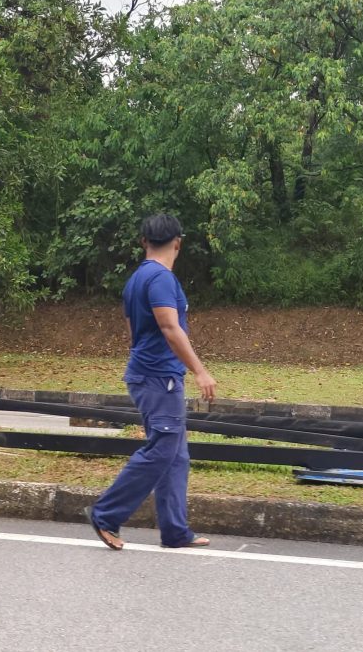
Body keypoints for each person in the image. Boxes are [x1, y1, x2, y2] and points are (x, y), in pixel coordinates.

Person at [86, 214, 217, 550]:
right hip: (159, 377)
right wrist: (200, 371)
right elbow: (170, 328)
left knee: (176, 454)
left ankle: (175, 531)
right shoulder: (160, 279)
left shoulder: (136, 280)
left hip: (153, 374)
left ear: (144, 241)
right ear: (178, 242)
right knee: (162, 449)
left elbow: (131, 331)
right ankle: (106, 515)